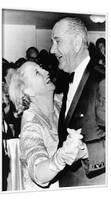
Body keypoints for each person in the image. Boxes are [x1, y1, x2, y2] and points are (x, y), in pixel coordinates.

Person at [8, 61, 88, 190]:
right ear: (28, 90)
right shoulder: (31, 125)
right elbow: (38, 172)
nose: (46, 72)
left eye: (42, 68)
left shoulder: (60, 103)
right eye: (37, 73)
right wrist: (60, 158)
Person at [50, 17, 105, 187]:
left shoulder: (103, 80)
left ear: (77, 43)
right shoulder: (69, 79)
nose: (52, 50)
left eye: (57, 41)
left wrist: (85, 152)